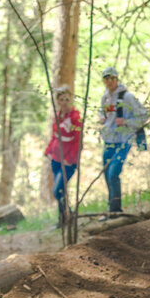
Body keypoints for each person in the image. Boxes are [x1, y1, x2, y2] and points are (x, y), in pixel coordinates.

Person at [98, 67, 148, 219]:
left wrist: (126, 122)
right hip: (108, 140)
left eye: (112, 78)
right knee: (107, 174)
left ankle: (116, 210)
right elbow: (102, 111)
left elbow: (143, 115)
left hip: (123, 141)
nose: (109, 82)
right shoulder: (105, 97)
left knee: (114, 173)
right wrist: (101, 117)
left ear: (117, 79)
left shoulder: (127, 96)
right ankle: (112, 208)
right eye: (106, 79)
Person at [44, 85, 81, 227]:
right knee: (61, 192)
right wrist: (48, 151)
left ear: (70, 99)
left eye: (67, 99)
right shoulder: (58, 116)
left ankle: (67, 216)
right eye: (61, 100)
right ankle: (64, 219)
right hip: (56, 159)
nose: (64, 102)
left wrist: (70, 159)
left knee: (57, 190)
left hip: (68, 162)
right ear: (58, 101)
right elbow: (54, 136)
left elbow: (78, 141)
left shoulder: (75, 117)